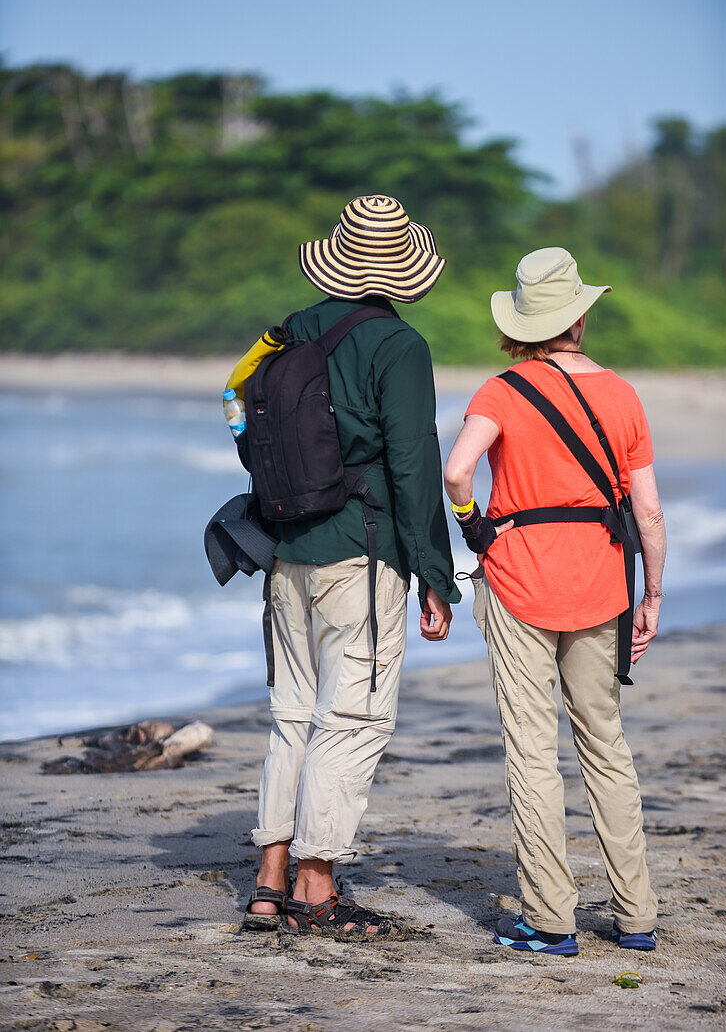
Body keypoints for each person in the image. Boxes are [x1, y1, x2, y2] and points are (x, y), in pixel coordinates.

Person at [245, 194, 460, 937]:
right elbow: (412, 462)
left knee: (291, 716)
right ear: (401, 271)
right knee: (355, 717)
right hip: (360, 556)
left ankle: (269, 879)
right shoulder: (399, 347)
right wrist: (435, 571)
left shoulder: (293, 329)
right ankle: (315, 884)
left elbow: (248, 431)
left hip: (287, 551)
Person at [444, 247, 665, 956]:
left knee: (533, 751)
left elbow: (456, 470)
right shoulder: (623, 393)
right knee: (606, 745)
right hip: (602, 581)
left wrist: (475, 524)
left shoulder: (503, 389)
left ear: (523, 323)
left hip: (518, 579)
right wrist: (652, 593)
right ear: (579, 316)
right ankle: (636, 916)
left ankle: (549, 919)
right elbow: (650, 514)